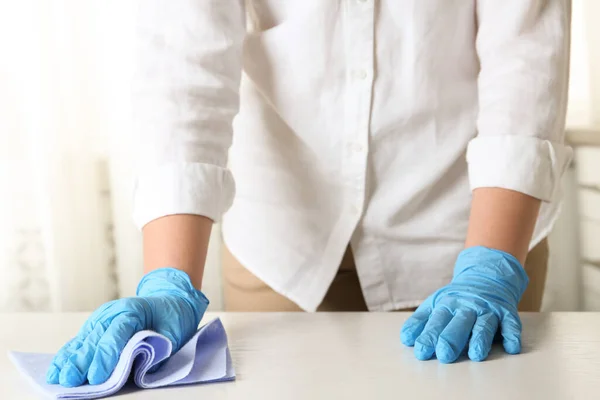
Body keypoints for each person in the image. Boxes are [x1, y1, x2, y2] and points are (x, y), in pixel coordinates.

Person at [47, 0, 571, 387]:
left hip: (467, 226)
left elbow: (525, 60)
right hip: (283, 240)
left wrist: (489, 265)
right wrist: (168, 282)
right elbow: (186, 71)